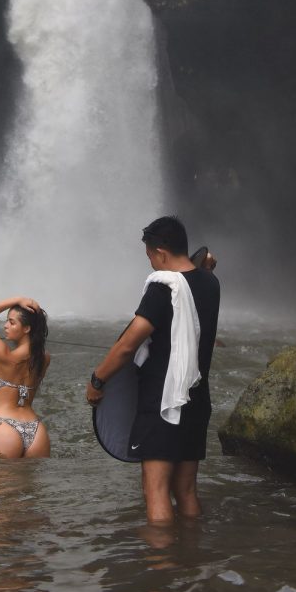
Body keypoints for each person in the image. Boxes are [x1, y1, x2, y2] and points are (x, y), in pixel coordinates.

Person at [86, 216, 220, 525]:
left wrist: (97, 380)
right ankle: (190, 558)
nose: (151, 265)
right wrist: (206, 261)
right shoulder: (210, 283)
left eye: (150, 257)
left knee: (155, 489)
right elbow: (202, 266)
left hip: (163, 403)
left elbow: (127, 345)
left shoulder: (164, 290)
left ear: (160, 252)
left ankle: (161, 562)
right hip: (197, 400)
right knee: (186, 490)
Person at [0, 296, 51, 459]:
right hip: (36, 430)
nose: (5, 326)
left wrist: (17, 299)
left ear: (26, 329)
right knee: (32, 485)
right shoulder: (44, 359)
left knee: (1, 485)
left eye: (11, 322)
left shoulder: (6, 357)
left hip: (4, 427)